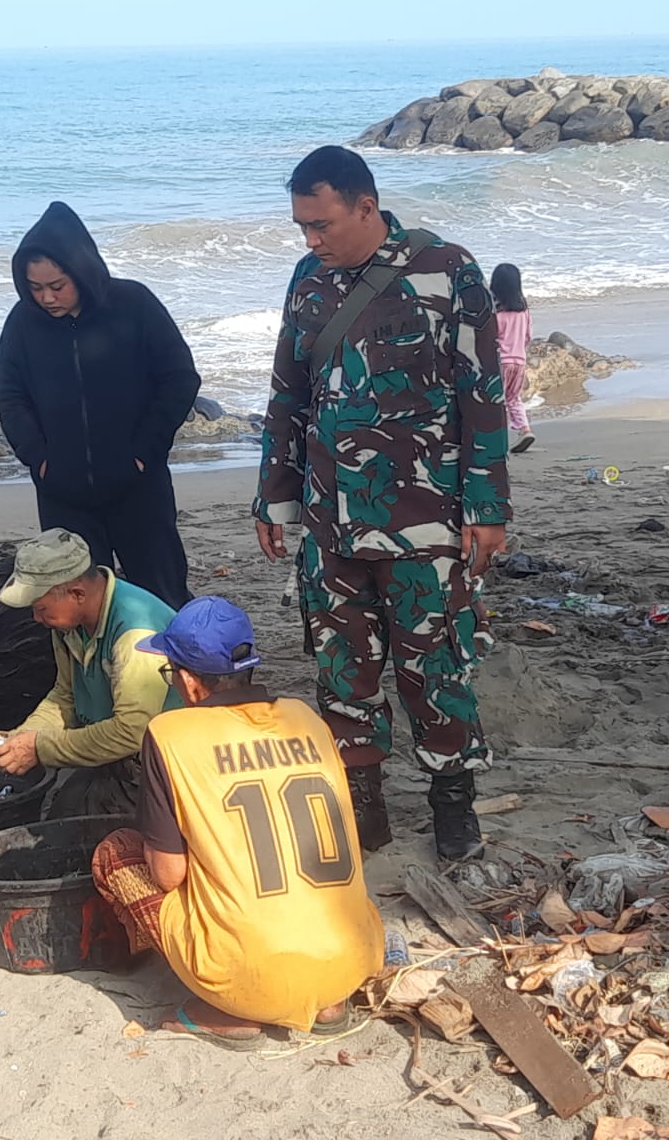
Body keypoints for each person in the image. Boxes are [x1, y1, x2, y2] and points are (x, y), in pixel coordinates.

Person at [254, 145, 511, 861]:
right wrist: (274, 495)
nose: (311, 239)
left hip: (424, 520)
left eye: (322, 224)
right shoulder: (307, 280)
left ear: (366, 207)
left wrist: (487, 508)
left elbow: (483, 396)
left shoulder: (449, 270)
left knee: (436, 668)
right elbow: (288, 394)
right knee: (342, 669)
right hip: (330, 521)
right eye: (302, 226)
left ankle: (453, 802)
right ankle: (363, 802)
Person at [92, 596, 383, 1048]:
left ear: (189, 682)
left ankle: (229, 1010)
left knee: (116, 852)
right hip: (352, 959)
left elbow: (168, 876)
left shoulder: (170, 735)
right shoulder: (306, 719)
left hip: (249, 974)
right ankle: (326, 1004)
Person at [0, 202, 200, 609]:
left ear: (82, 272)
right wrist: (39, 458)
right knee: (78, 607)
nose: (46, 297)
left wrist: (144, 452)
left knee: (162, 598)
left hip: (139, 487)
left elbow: (180, 378)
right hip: (62, 492)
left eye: (57, 285)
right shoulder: (22, 322)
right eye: (35, 287)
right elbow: (9, 395)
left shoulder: (134, 304)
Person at [0, 528, 176, 818]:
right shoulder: (68, 625)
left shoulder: (135, 635)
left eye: (41, 608)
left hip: (160, 761)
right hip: (111, 748)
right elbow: (65, 696)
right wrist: (18, 739)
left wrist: (39, 748)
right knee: (60, 813)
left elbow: (132, 732)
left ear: (77, 593)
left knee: (81, 832)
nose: (36, 618)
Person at [490, 262, 536, 454]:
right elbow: (528, 336)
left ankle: (497, 437)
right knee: (513, 398)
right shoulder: (523, 310)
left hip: (500, 362)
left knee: (496, 401)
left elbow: (491, 338)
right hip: (519, 361)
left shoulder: (495, 312)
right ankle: (525, 430)